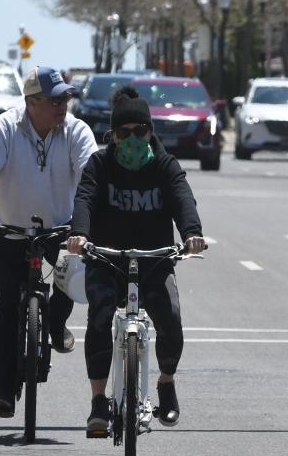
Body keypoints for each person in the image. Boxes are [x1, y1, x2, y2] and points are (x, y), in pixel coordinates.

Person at [66, 86, 205, 434]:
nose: (132, 139)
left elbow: (183, 198)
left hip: (153, 259)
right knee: (98, 317)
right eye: (124, 133)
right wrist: (79, 234)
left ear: (150, 131)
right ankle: (99, 401)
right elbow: (84, 198)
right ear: (112, 135)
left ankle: (166, 383)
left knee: (170, 315)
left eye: (140, 131)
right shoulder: (99, 164)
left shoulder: (164, 165)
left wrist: (192, 234)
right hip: (107, 258)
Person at [0, 66, 98, 418]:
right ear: (32, 102)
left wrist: (87, 226)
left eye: (65, 99)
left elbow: (90, 176)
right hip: (9, 230)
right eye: (54, 101)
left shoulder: (76, 131)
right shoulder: (4, 128)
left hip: (62, 229)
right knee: (7, 306)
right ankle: (4, 392)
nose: (62, 106)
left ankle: (55, 324)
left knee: (73, 280)